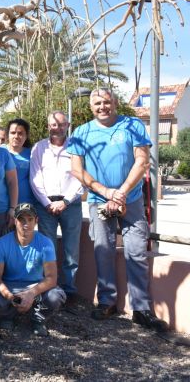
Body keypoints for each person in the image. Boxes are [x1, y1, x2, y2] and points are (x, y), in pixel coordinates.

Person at [68, 88, 168, 331]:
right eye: (97, 103)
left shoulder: (132, 125)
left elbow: (142, 161)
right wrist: (106, 192)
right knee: (103, 250)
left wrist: (121, 192)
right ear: (91, 107)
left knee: (136, 252)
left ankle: (141, 309)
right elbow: (77, 170)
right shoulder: (81, 132)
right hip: (98, 200)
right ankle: (106, 302)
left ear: (115, 102)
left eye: (107, 102)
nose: (103, 106)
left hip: (131, 200)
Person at [0, 203, 66, 336]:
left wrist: (31, 293)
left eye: (30, 219)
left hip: (35, 287)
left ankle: (38, 319)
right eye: (21, 219)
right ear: (15, 221)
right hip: (10, 287)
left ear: (36, 221)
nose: (26, 224)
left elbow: (52, 278)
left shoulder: (45, 243)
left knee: (56, 296)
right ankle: (8, 316)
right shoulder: (2, 243)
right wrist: (10, 297)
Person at [30, 111, 84, 302]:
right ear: (48, 127)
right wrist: (46, 203)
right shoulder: (38, 148)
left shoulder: (77, 147)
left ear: (68, 126)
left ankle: (69, 292)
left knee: (71, 251)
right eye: (53, 125)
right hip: (45, 206)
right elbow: (35, 178)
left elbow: (81, 177)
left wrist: (66, 201)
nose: (57, 128)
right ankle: (49, 290)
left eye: (61, 125)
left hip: (71, 205)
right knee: (48, 249)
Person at [6, 118, 37, 207]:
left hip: (26, 203)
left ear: (26, 136)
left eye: (20, 133)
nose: (16, 136)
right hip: (4, 205)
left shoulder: (32, 154)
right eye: (13, 133)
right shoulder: (0, 152)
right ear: (8, 134)